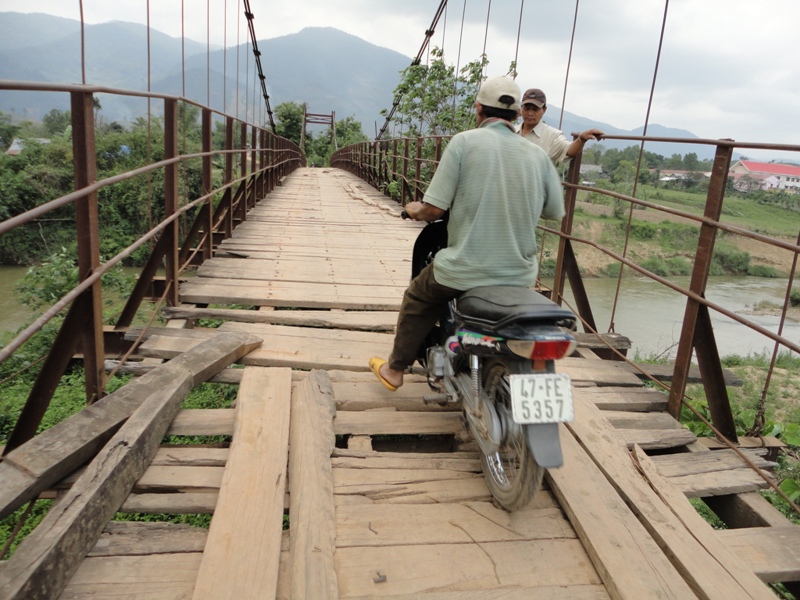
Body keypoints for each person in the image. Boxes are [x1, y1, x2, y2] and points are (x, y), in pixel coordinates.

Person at [369, 76, 566, 391]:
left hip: (465, 268)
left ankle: (395, 369)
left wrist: (413, 209)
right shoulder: (539, 156)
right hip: (518, 274)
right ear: (517, 115)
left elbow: (434, 209)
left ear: (478, 109)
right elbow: (555, 211)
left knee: (418, 297)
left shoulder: (464, 142)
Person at [517, 88, 604, 165]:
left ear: (544, 109)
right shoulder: (512, 131)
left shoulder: (552, 136)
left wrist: (581, 139)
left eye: (535, 109)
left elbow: (569, 150)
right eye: (527, 108)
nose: (530, 113)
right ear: (521, 108)